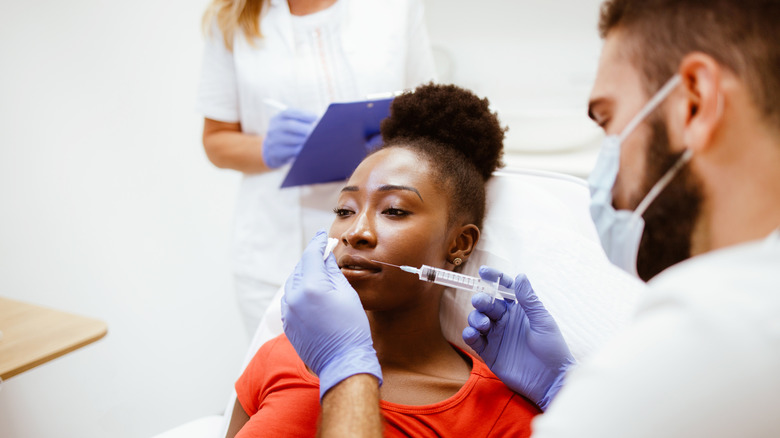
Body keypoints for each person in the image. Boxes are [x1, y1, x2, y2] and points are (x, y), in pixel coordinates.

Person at [280, 0, 780, 436]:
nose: (357, 231)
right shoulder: (745, 310)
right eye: (344, 210)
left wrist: (345, 368)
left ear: (694, 102)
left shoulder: (716, 334)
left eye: (608, 122)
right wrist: (562, 388)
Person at [225, 84, 540, 437]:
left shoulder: (497, 415)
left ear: (459, 244)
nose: (355, 232)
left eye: (394, 210)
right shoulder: (280, 355)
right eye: (344, 210)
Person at [197, 0, 436, 336]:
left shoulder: (395, 7)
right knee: (285, 380)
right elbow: (216, 141)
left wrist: (390, 141)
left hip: (381, 250)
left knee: (376, 378)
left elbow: (430, 111)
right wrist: (265, 147)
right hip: (274, 252)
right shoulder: (231, 17)